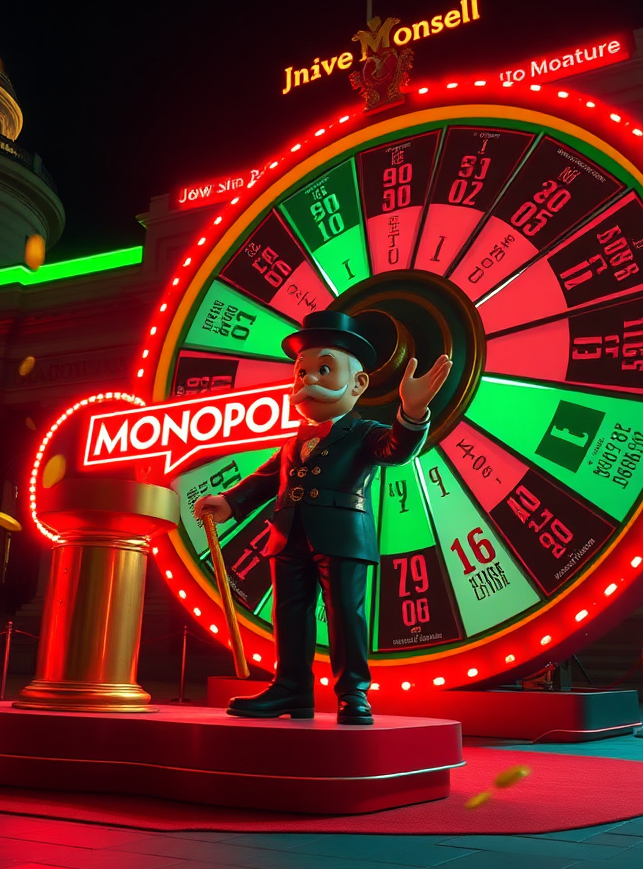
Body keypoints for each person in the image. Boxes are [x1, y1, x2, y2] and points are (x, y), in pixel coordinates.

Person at [193, 310, 452, 725]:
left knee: (345, 615)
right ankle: (290, 688)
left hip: (342, 533)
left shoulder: (363, 431)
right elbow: (265, 479)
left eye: (324, 368)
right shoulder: (294, 440)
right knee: (289, 614)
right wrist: (229, 501)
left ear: (359, 382)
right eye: (301, 373)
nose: (307, 381)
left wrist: (412, 414)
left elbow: (396, 451)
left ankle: (353, 693)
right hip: (289, 533)